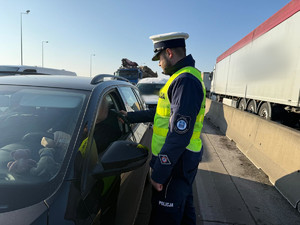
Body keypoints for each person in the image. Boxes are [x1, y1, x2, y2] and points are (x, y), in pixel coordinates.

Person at [120, 32, 206, 225]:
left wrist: (160, 172)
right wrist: (131, 116)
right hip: (182, 160)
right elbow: (161, 115)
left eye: (159, 58)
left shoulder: (184, 81)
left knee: (164, 218)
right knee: (183, 211)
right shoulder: (182, 77)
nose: (159, 64)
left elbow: (179, 134)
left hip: (176, 162)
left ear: (168, 53)